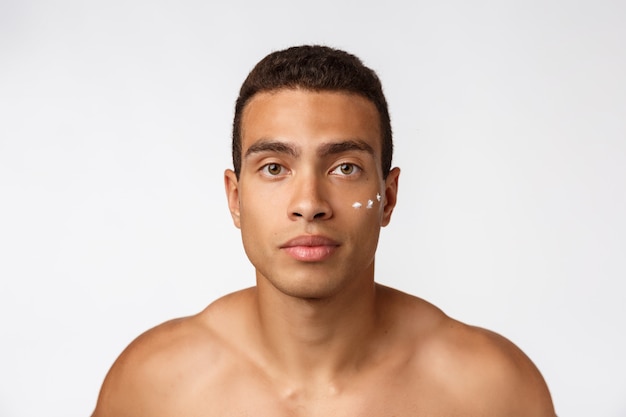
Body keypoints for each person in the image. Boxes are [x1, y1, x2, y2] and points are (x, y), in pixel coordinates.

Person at [92, 45, 555, 416]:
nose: (309, 204)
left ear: (388, 196)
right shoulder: (153, 387)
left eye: (345, 168)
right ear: (235, 198)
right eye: (275, 167)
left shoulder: (491, 390)